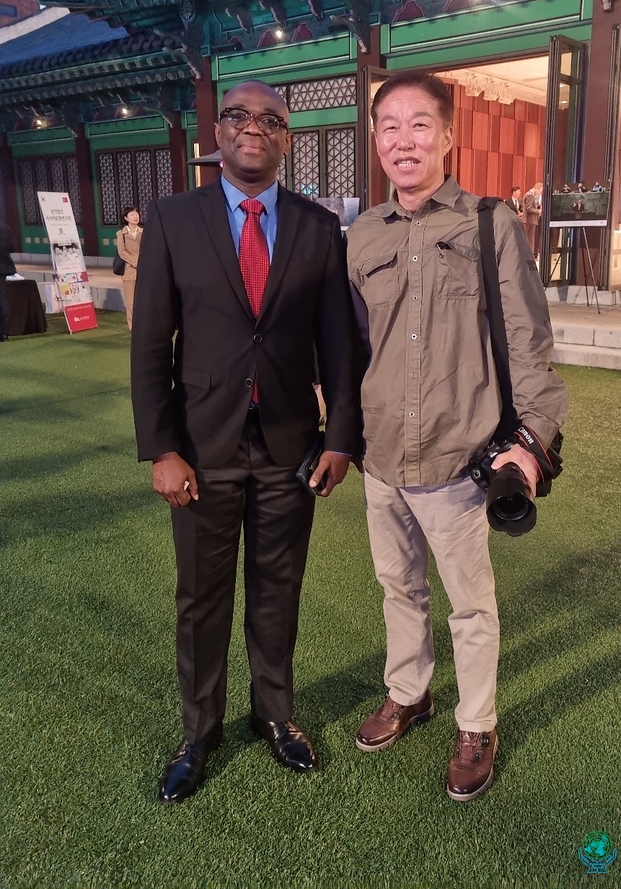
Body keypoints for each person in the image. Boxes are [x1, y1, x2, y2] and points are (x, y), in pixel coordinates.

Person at [130, 80, 358, 805]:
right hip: (200, 449)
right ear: (217, 133)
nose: (253, 128)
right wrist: (161, 448)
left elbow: (339, 347)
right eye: (238, 116)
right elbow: (148, 346)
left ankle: (275, 715)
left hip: (292, 446)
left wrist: (339, 438)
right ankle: (199, 732)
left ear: (286, 138)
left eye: (271, 120)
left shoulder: (320, 227)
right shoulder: (172, 220)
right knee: (201, 597)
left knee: (278, 590)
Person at [347, 70, 567, 802]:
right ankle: (409, 694)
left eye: (418, 125)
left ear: (447, 136)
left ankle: (477, 724)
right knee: (396, 588)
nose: (403, 140)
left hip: (458, 455)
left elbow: (528, 342)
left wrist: (532, 441)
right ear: (376, 140)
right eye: (389, 126)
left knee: (470, 606)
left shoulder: (488, 223)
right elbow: (350, 346)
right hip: (382, 456)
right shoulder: (363, 235)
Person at [115, 205, 141, 330]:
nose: (135, 216)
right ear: (126, 218)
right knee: (130, 302)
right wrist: (136, 262)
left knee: (143, 300)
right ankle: (133, 327)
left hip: (144, 271)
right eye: (132, 214)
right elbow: (122, 252)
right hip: (129, 271)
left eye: (136, 213)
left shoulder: (144, 232)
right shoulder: (121, 234)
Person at [0, 219, 16, 342]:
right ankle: (3, 333)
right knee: (2, 299)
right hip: (4, 267)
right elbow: (12, 247)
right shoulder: (5, 227)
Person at [522, 181, 543, 254]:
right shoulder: (530, 195)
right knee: (529, 239)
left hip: (531, 220)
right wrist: (538, 211)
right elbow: (529, 208)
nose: (540, 193)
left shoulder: (529, 194)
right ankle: (528, 254)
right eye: (540, 191)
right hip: (530, 220)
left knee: (530, 238)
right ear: (537, 188)